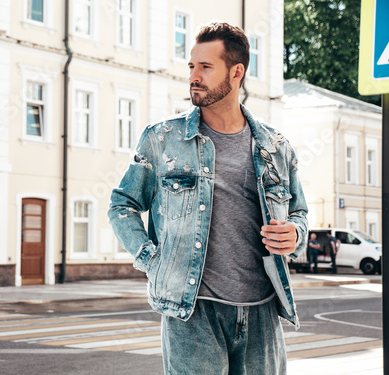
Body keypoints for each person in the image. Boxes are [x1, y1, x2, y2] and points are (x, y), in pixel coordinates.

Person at [108, 21, 308, 375]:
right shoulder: (162, 140)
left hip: (262, 312)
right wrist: (152, 260)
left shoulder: (275, 147)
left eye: (205, 67)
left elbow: (299, 213)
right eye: (191, 66)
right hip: (193, 313)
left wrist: (295, 233)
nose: (194, 76)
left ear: (236, 73)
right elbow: (122, 205)